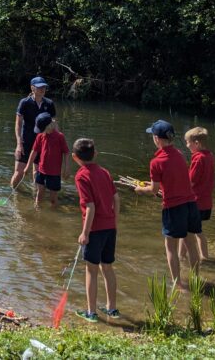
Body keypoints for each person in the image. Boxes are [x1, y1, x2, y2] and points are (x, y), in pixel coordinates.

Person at [135, 119, 202, 287]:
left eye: (153, 136)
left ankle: (177, 284)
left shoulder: (156, 162)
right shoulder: (179, 153)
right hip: (191, 204)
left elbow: (152, 190)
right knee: (191, 243)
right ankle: (195, 279)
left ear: (157, 139)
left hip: (174, 208)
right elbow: (174, 180)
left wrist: (139, 189)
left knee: (170, 246)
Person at [71, 137, 120, 323]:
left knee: (91, 270)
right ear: (95, 154)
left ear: (75, 157)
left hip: (95, 229)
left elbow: (90, 206)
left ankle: (91, 312)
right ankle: (112, 308)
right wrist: (115, 222)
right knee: (107, 267)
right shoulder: (105, 172)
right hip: (110, 227)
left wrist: (85, 233)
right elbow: (116, 198)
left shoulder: (82, 176)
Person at [10, 76, 57, 189]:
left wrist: (57, 141)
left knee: (37, 173)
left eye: (44, 87)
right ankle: (13, 195)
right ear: (32, 88)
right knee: (19, 173)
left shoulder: (49, 104)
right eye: (40, 87)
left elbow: (54, 124)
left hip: (42, 142)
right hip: (26, 141)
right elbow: (18, 124)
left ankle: (35, 200)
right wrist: (18, 144)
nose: (42, 89)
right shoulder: (24, 103)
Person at [183, 126, 215, 263]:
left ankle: (181, 257)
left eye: (188, 142)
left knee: (184, 231)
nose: (186, 145)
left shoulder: (198, 159)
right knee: (198, 231)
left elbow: (190, 182)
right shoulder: (210, 156)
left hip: (195, 201)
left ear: (196, 143)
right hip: (206, 201)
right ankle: (204, 256)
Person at [25, 112, 69, 209]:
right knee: (39, 194)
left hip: (54, 173)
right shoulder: (40, 136)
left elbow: (66, 152)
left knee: (53, 198)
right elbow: (34, 151)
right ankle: (37, 212)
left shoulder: (60, 137)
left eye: (42, 129)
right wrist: (27, 166)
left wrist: (66, 168)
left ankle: (54, 214)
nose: (41, 131)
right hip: (41, 171)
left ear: (49, 126)